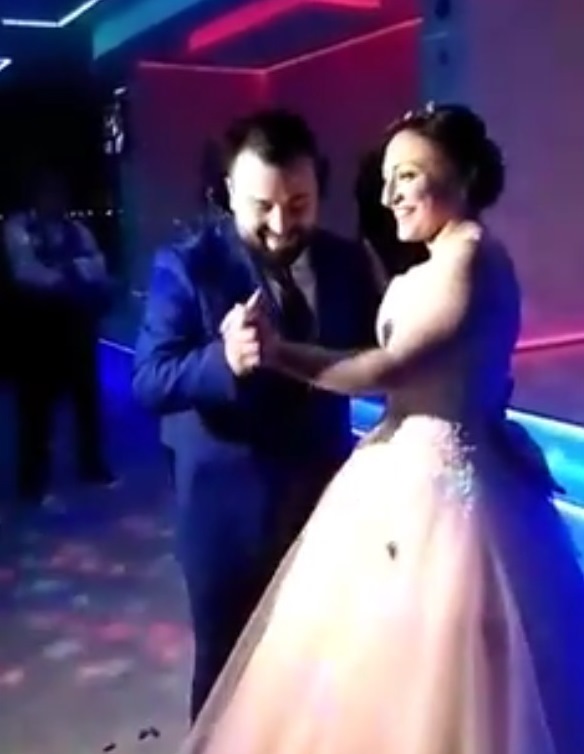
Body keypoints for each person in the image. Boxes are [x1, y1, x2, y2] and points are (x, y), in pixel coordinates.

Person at [177, 104, 584, 754]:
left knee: (439, 671)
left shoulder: (470, 259)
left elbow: (388, 367)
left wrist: (276, 353)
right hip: (390, 470)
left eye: (409, 175)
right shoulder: (434, 260)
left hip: (445, 495)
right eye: (388, 177)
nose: (391, 193)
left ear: (464, 174)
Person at [132, 108, 379, 723]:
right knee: (226, 674)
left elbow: (379, 349)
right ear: (228, 193)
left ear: (320, 186)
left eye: (299, 204)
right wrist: (222, 360)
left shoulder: (347, 261)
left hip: (326, 502)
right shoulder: (188, 265)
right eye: (261, 206)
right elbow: (149, 379)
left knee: (321, 664)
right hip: (227, 515)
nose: (280, 225)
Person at [3, 171, 116, 506]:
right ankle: (32, 481)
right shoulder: (18, 227)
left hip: (74, 324)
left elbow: (97, 265)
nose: (55, 201)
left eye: (59, 195)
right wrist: (70, 272)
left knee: (86, 399)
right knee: (34, 406)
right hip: (34, 329)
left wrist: (67, 271)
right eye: (48, 194)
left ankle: (91, 464)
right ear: (35, 197)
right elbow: (26, 271)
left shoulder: (77, 230)